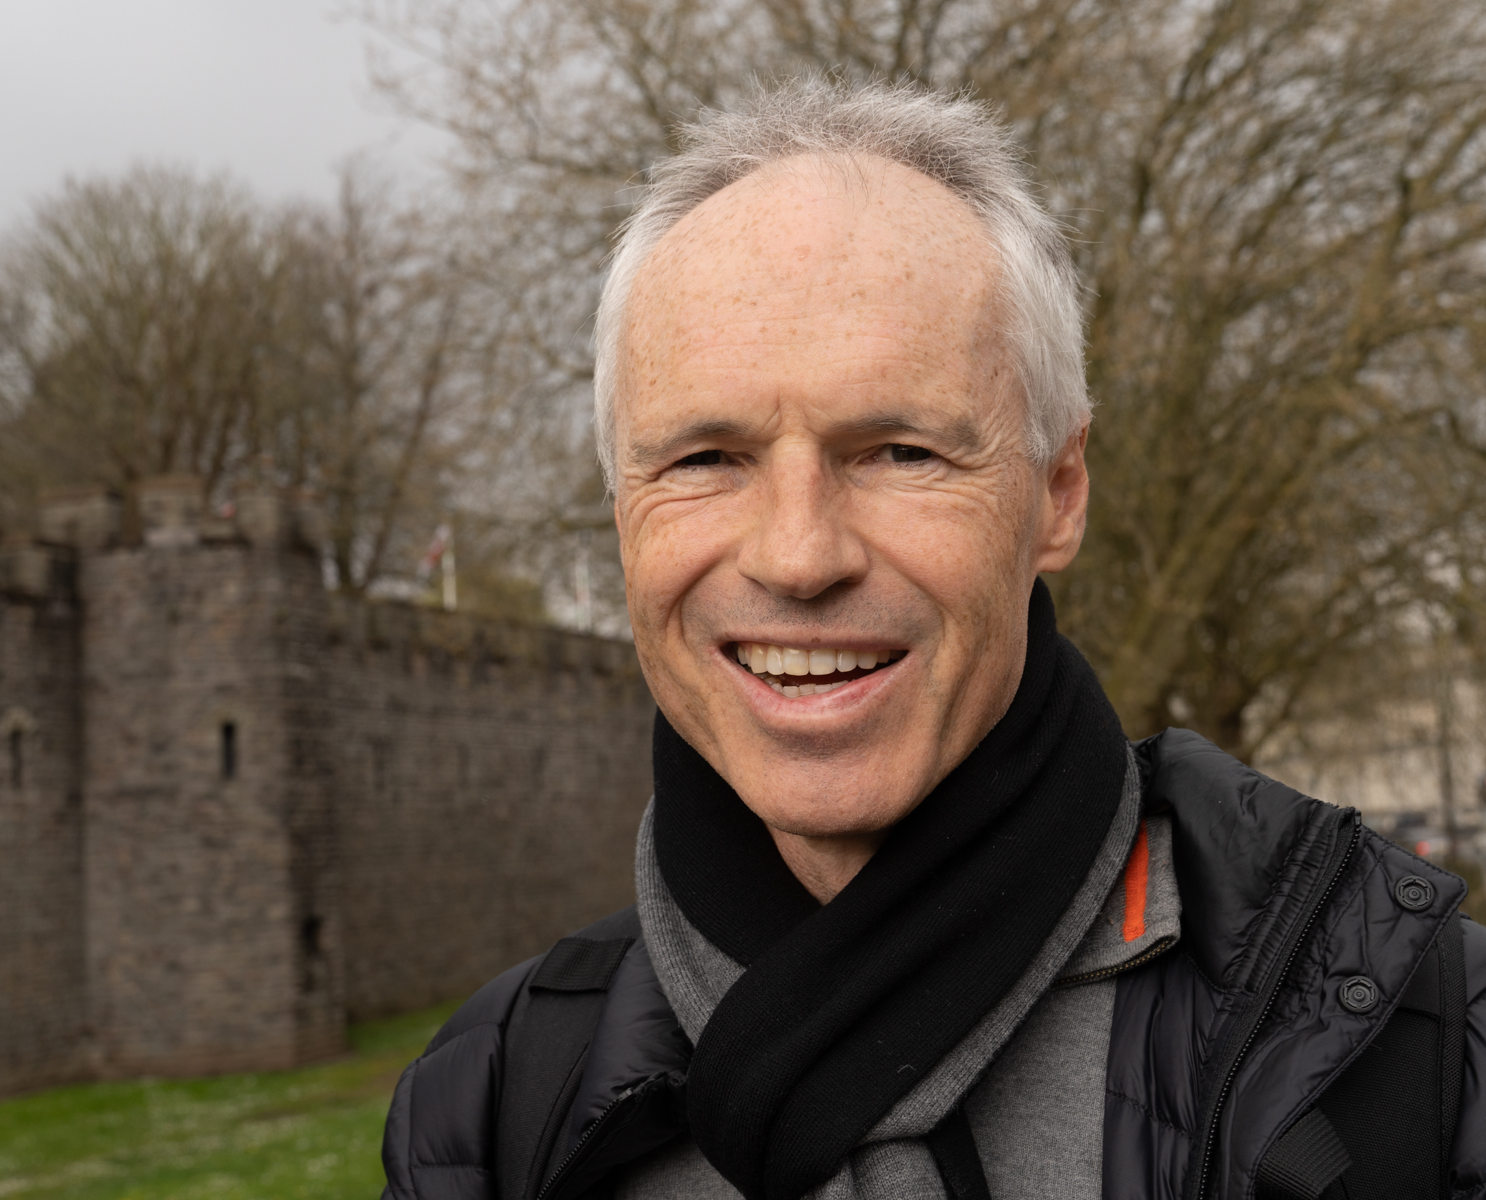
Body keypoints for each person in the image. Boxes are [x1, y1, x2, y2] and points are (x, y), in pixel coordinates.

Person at [379, 79, 1486, 1200]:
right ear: (620, 505)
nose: (799, 556)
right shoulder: (487, 1103)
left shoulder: (1423, 1049)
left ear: (1058, 492)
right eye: (705, 459)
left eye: (900, 452)